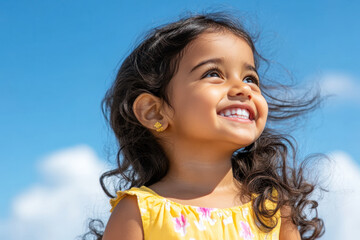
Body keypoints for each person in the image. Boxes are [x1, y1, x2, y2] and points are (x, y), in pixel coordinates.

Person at [98, 12, 324, 240]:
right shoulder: (137, 211)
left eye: (250, 78)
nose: (244, 89)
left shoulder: (272, 210)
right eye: (213, 74)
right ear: (154, 111)